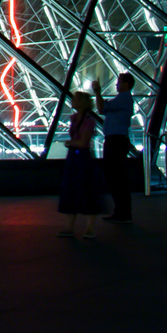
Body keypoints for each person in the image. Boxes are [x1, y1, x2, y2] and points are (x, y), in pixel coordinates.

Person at [58, 90, 105, 238]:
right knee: (74, 189)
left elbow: (83, 142)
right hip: (77, 156)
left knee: (84, 190)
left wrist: (71, 143)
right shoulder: (76, 118)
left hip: (80, 157)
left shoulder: (88, 120)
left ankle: (84, 227)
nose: (72, 101)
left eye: (76, 99)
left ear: (82, 103)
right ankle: (76, 227)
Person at [98, 74, 136, 224]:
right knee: (117, 177)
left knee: (115, 177)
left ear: (126, 84)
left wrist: (97, 92)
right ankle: (122, 211)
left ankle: (122, 211)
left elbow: (102, 108)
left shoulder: (123, 99)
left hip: (116, 140)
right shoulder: (124, 100)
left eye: (119, 82)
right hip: (118, 139)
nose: (116, 85)